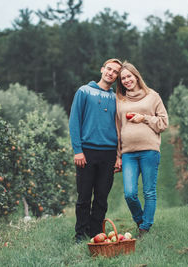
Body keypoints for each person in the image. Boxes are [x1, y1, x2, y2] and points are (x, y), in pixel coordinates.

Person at [69, 58, 122, 243]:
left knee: (101, 197)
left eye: (115, 72)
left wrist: (118, 156)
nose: (111, 73)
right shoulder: (84, 91)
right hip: (87, 152)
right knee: (84, 196)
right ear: (102, 70)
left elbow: (119, 128)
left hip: (108, 153)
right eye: (109, 69)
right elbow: (74, 121)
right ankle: (80, 235)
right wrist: (78, 150)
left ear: (117, 77)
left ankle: (96, 234)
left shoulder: (117, 98)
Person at [115, 61, 168, 237]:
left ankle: (145, 228)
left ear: (136, 76)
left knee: (149, 191)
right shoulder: (120, 100)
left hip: (149, 150)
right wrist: (118, 155)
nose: (127, 80)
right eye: (123, 78)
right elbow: (117, 128)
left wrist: (144, 118)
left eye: (129, 76)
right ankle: (140, 220)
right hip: (128, 152)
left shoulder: (153, 96)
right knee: (129, 193)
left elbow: (163, 122)